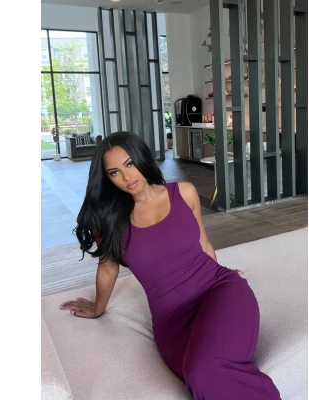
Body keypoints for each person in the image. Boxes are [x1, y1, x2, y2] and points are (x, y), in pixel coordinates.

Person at [60, 131, 281, 399]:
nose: (127, 177)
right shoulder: (108, 221)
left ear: (142, 158)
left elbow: (203, 244)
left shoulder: (184, 193)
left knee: (207, 371)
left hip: (217, 290)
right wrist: (97, 309)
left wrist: (221, 276)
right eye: (114, 172)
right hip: (172, 323)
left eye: (130, 164)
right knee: (201, 376)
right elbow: (108, 268)